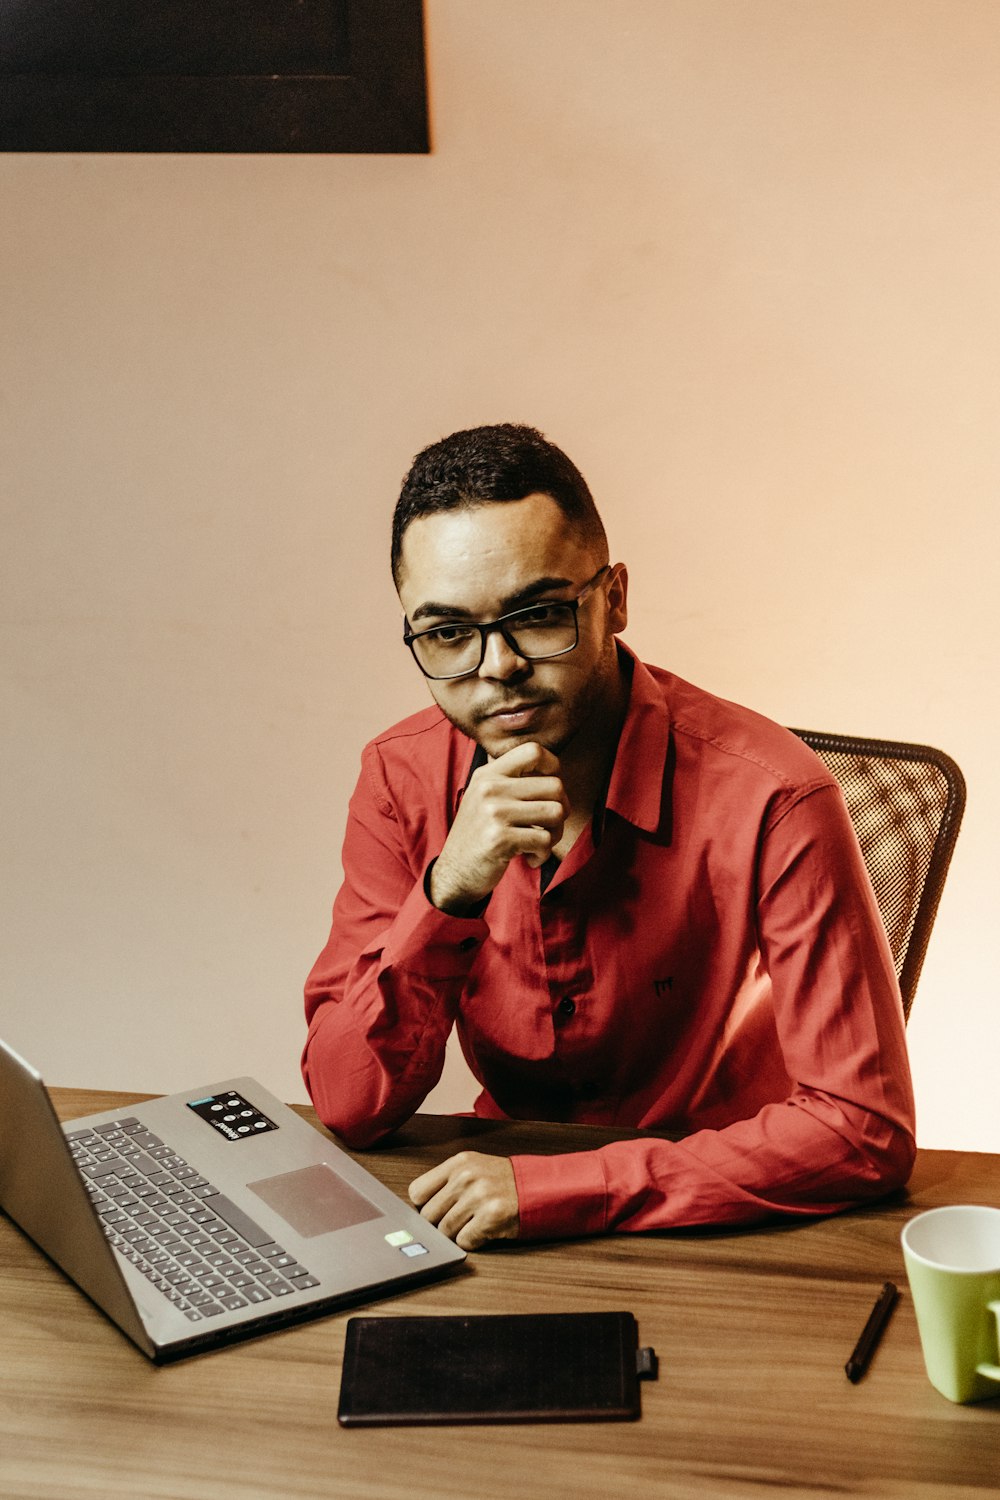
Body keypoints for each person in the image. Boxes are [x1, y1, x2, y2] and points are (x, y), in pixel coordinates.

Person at [302, 423, 915, 1251]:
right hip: (500, 1212)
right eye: (448, 633)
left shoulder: (776, 793)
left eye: (540, 614)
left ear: (614, 599)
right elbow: (346, 1101)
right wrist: (451, 889)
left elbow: (861, 1129)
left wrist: (564, 1189)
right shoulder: (399, 777)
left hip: (731, 1213)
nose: (498, 666)